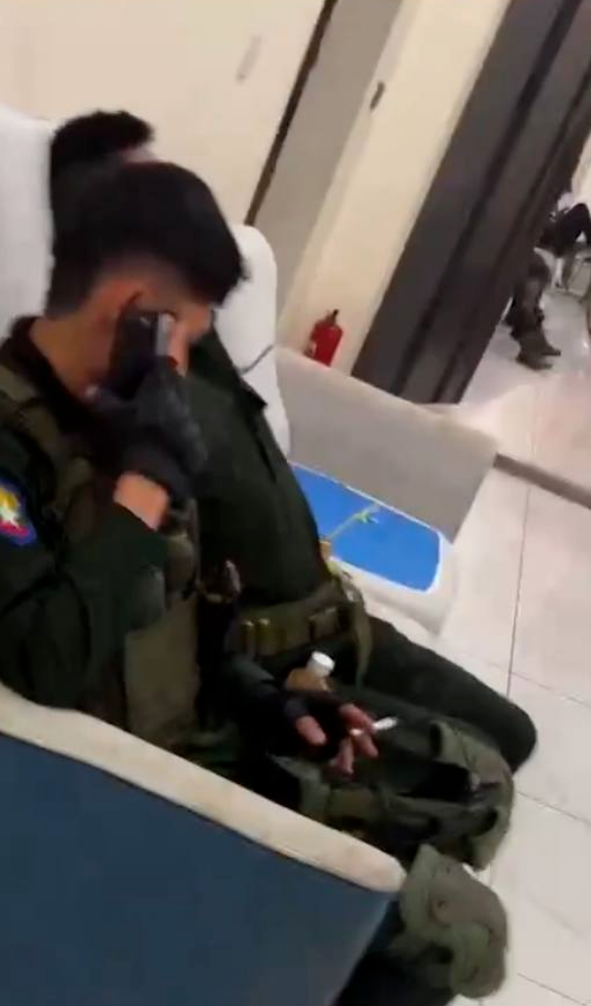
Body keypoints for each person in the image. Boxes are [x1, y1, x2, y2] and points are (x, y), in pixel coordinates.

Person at [0, 157, 509, 1006]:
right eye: (183, 331)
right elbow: (44, 661)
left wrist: (276, 698)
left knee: (469, 781)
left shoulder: (118, 421)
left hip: (198, 741)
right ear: (135, 309)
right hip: (110, 795)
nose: (188, 362)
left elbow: (176, 617)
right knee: (472, 927)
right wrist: (141, 491)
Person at [48, 113, 536, 777]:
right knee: (479, 767)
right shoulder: (118, 398)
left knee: (513, 733)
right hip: (278, 657)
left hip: (336, 618)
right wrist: (271, 693)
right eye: (150, 193)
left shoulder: (190, 337)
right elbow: (153, 593)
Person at [507, 193, 591, 370]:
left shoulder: (553, 212)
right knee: (528, 305)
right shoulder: (564, 213)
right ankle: (530, 350)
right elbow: (588, 237)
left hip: (533, 255)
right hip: (537, 257)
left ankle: (536, 343)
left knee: (529, 303)